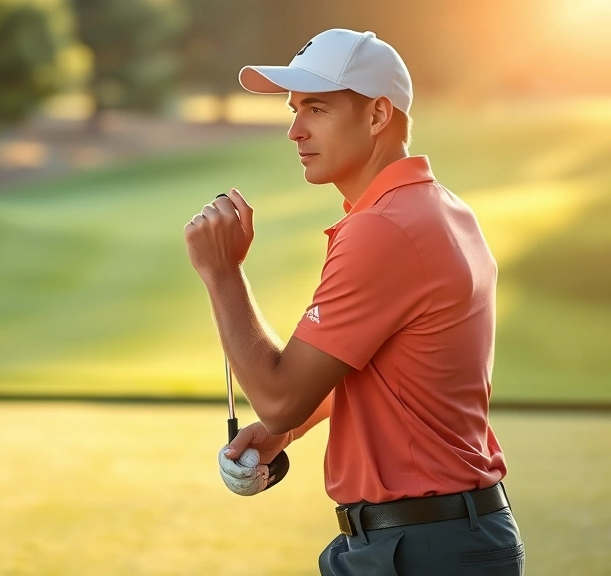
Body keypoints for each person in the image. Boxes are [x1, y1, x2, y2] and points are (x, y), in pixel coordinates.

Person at [183, 28, 525, 575]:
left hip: (421, 548)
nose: (295, 131)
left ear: (378, 115)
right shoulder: (437, 209)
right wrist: (280, 436)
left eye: (316, 109)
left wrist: (221, 272)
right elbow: (375, 374)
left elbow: (279, 396)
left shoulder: (384, 229)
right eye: (294, 110)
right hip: (435, 537)